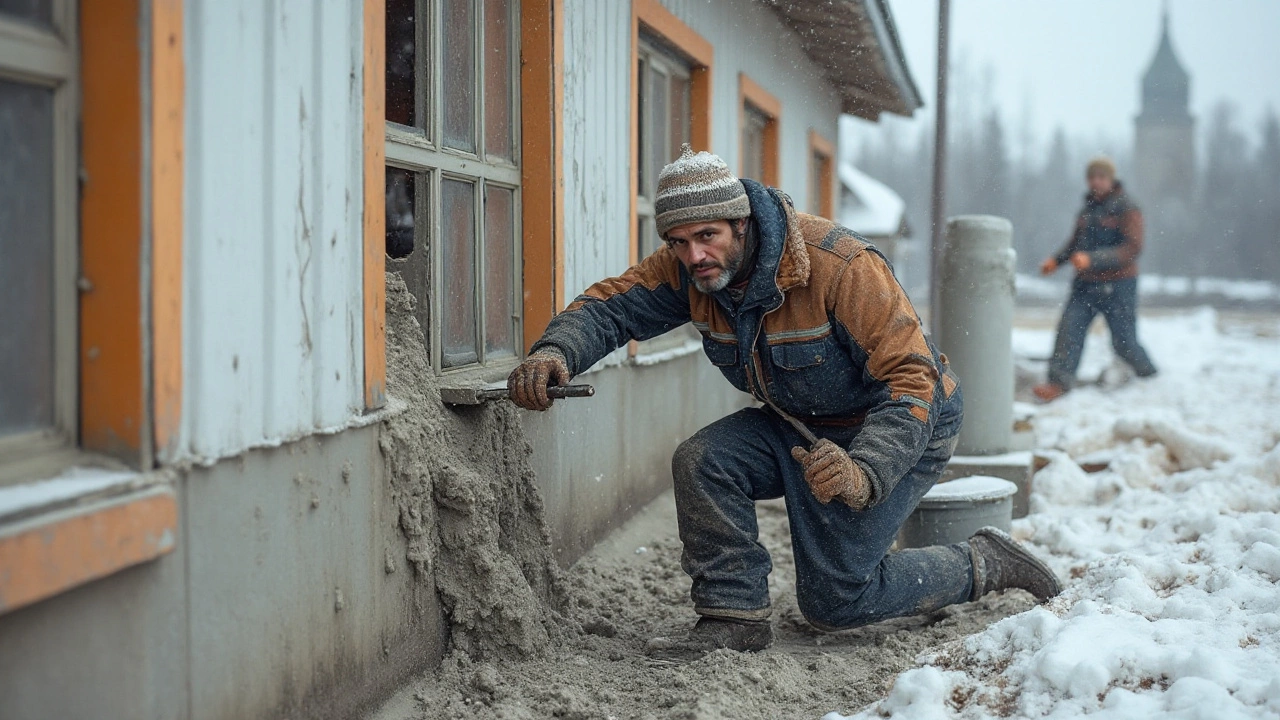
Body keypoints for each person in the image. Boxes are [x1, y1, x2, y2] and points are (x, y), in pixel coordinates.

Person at [509, 146, 1061, 659]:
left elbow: (911, 379)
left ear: (742, 223)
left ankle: (983, 562)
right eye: (678, 242)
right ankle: (734, 616)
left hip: (903, 424)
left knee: (837, 601)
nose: (694, 255)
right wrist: (556, 350)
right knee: (705, 461)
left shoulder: (840, 265)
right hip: (800, 426)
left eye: (707, 236)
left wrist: (865, 471)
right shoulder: (692, 268)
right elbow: (612, 308)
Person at [1033, 158, 1158, 402]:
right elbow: (1075, 244)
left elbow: (1132, 248)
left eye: (1101, 177)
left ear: (1111, 179)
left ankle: (1149, 377)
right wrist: (1056, 261)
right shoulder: (1087, 210)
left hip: (1119, 284)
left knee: (1125, 341)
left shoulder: (1127, 207)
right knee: (1069, 330)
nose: (1096, 182)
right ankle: (1058, 383)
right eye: (1092, 177)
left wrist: (1094, 259)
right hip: (1085, 284)